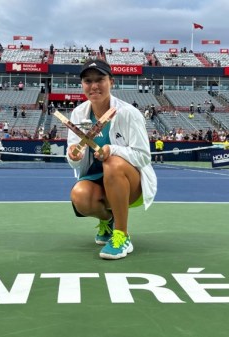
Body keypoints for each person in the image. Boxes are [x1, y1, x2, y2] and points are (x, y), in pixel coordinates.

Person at [66, 59, 157, 260]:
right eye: (88, 81)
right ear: (82, 85)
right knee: (79, 195)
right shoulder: (77, 113)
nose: (94, 86)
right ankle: (107, 219)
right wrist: (74, 154)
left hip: (130, 184)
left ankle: (122, 235)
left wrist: (111, 149)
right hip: (97, 181)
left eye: (100, 79)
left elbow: (143, 156)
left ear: (112, 82)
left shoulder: (128, 114)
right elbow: (74, 158)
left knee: (112, 162)